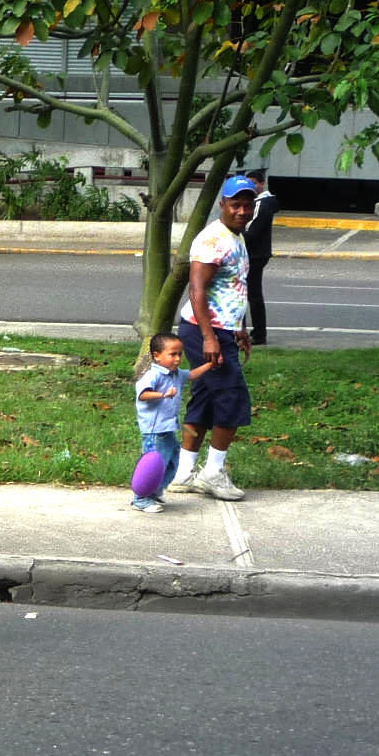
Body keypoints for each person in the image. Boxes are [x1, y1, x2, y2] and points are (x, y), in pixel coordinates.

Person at [171, 176, 258, 501]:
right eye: (235, 204)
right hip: (204, 330)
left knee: (206, 398)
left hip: (221, 329)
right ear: (222, 204)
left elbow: (234, 288)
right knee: (232, 398)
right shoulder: (212, 240)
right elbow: (198, 291)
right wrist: (210, 338)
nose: (242, 211)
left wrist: (240, 328)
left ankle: (183, 474)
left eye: (247, 205)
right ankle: (213, 474)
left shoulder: (236, 236)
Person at [130, 330, 211, 515]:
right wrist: (163, 395)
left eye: (180, 354)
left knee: (172, 461)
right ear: (157, 356)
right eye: (172, 354)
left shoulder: (175, 374)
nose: (177, 358)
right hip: (154, 430)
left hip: (167, 429)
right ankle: (141, 498)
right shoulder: (153, 375)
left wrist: (209, 365)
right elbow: (142, 395)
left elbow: (192, 375)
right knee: (153, 463)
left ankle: (155, 491)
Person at [244, 168, 276, 345]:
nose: (250, 187)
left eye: (253, 183)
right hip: (258, 253)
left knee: (250, 294)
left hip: (254, 254)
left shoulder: (261, 204)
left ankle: (258, 333)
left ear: (261, 184)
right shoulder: (262, 203)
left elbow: (251, 231)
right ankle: (257, 332)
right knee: (252, 293)